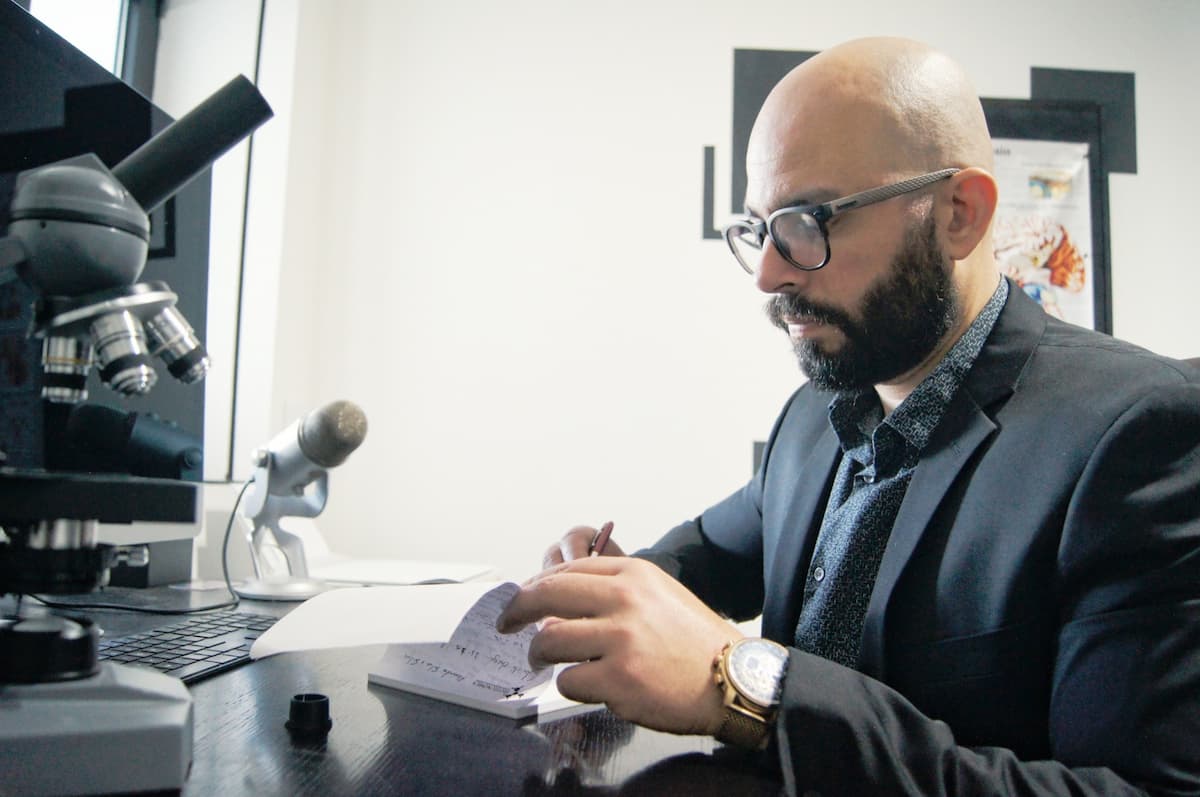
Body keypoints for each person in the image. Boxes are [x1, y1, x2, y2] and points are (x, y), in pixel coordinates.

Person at [497, 36, 1200, 796]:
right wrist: (609, 585)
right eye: (758, 229)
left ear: (959, 214)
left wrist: (745, 684)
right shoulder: (817, 412)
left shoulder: (1135, 437)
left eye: (807, 222)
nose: (768, 273)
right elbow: (708, 555)